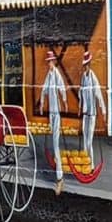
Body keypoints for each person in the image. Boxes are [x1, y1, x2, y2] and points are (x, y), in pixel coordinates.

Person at [39, 49, 70, 195]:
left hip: (56, 113)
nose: (49, 64)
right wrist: (41, 103)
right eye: (48, 62)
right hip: (51, 113)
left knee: (56, 146)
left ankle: (60, 179)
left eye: (50, 62)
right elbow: (44, 89)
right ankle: (59, 175)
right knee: (53, 143)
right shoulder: (49, 74)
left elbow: (62, 87)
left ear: (53, 62)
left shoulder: (56, 73)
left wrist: (64, 101)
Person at [78, 49, 108, 170]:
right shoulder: (83, 78)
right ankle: (86, 163)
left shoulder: (93, 78)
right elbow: (80, 92)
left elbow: (99, 95)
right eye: (84, 65)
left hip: (92, 113)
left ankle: (91, 165)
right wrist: (80, 107)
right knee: (85, 138)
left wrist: (104, 111)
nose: (85, 67)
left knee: (89, 140)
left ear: (89, 65)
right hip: (85, 113)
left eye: (86, 65)